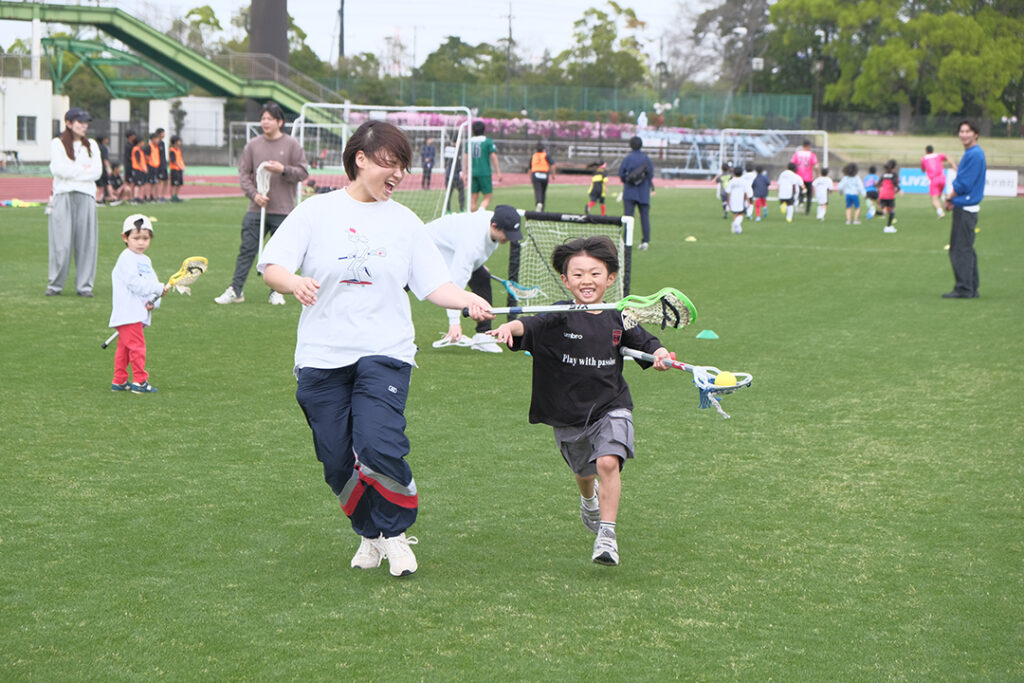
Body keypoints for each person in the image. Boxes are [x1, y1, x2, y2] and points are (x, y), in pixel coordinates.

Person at [259, 120, 493, 577]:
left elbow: (434, 285)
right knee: (335, 459)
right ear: (360, 159)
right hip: (322, 354)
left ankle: (396, 533)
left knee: (377, 443)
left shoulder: (405, 222)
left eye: (403, 166)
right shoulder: (316, 212)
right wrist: (294, 282)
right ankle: (371, 534)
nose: (398, 174)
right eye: (390, 163)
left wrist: (466, 299)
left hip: (385, 351)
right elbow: (272, 266)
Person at [489, 235, 670, 566]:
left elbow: (647, 343)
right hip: (568, 413)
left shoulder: (620, 315)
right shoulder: (558, 314)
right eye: (578, 274)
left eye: (595, 273)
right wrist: (508, 328)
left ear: (610, 278)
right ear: (565, 280)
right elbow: (527, 325)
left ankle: (607, 535)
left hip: (611, 405)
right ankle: (589, 500)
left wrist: (660, 354)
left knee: (608, 463)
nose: (587, 280)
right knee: (584, 472)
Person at [215, 101, 309, 306]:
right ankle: (236, 290)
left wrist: (283, 169)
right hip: (256, 209)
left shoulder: (292, 145)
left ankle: (276, 291)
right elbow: (244, 174)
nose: (265, 122)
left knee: (280, 256)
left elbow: (303, 172)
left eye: (270, 119)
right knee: (247, 251)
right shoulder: (252, 145)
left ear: (280, 122)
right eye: (263, 118)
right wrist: (254, 195)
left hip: (283, 210)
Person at [425, 204, 523, 353]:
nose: (509, 239)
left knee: (482, 277)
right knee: (405, 284)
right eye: (507, 234)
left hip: (452, 249)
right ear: (494, 226)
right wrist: (454, 323)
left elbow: (476, 254)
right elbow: (456, 284)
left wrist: (478, 265)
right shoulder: (472, 243)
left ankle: (483, 336)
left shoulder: (493, 223)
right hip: (427, 247)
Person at [109, 214, 169, 394]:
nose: (141, 242)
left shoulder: (145, 260)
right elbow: (134, 283)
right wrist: (158, 288)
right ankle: (140, 381)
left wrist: (153, 301)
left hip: (137, 312)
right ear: (125, 238)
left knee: (125, 348)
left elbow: (150, 282)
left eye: (145, 238)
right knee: (137, 348)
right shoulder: (126, 258)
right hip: (128, 312)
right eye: (136, 238)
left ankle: (119, 380)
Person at [46, 107, 101, 298]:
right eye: (80, 122)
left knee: (87, 243)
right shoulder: (58, 143)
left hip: (86, 195)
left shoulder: (92, 145)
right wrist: (82, 170)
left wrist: (74, 171)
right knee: (60, 243)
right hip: (63, 195)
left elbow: (97, 172)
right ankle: (55, 284)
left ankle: (85, 286)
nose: (84, 126)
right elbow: (58, 169)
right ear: (69, 123)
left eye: (86, 123)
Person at [942, 120, 986, 299]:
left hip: (966, 207)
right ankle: (971, 287)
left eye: (968, 131)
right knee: (966, 247)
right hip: (967, 206)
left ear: (976, 134)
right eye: (961, 131)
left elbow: (963, 183)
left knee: (960, 248)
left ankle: (964, 288)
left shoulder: (974, 154)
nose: (964, 134)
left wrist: (949, 198)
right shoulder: (973, 153)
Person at [618, 136, 655, 250]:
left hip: (630, 191)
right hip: (643, 192)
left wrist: (628, 180)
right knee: (644, 217)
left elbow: (621, 174)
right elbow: (651, 174)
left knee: (628, 217)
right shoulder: (646, 158)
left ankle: (626, 241)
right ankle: (645, 241)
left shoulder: (627, 159)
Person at [465, 120, 501, 211]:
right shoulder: (488, 141)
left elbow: (466, 158)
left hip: (472, 173)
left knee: (473, 199)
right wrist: (498, 172)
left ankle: (473, 217)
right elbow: (493, 156)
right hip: (485, 172)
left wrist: (465, 173)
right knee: (488, 197)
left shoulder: (469, 142)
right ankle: (480, 213)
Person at [921, 144, 950, 219]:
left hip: (934, 179)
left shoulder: (924, 158)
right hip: (942, 178)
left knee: (934, 198)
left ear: (926, 151)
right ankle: (945, 199)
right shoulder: (938, 155)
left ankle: (940, 212)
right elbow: (947, 157)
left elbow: (923, 169)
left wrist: (925, 170)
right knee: (939, 194)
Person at [791, 139, 818, 214]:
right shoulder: (811, 154)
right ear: (809, 146)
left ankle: (801, 202)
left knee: (799, 191)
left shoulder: (797, 154)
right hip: (808, 177)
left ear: (803, 146)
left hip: (799, 177)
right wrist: (818, 174)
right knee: (809, 194)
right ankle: (807, 210)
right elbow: (816, 166)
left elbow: (792, 164)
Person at [725, 166, 752, 234]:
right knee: (742, 214)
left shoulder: (731, 181)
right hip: (740, 200)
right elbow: (746, 193)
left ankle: (736, 229)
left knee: (735, 214)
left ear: (734, 173)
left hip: (733, 200)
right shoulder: (744, 181)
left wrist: (728, 202)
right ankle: (736, 224)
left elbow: (728, 192)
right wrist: (748, 202)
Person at [529, 141, 554, 211]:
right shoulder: (546, 155)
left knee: (537, 190)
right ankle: (542, 206)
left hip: (536, 174)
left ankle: (539, 202)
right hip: (544, 174)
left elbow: (530, 169)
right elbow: (553, 165)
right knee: (543, 191)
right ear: (543, 149)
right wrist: (553, 175)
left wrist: (530, 179)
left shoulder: (533, 156)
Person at [878, 159, 900, 233]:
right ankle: (888, 227)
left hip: (882, 195)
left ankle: (875, 212)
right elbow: (895, 183)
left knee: (885, 212)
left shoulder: (884, 174)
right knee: (892, 211)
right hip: (889, 195)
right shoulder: (894, 174)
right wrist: (899, 190)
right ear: (894, 167)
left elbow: (879, 184)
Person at [442, 138, 465, 212]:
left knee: (449, 193)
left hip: (448, 175)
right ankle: (462, 209)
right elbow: (457, 162)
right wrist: (460, 171)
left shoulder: (447, 149)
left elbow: (446, 162)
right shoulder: (456, 149)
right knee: (461, 191)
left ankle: (448, 210)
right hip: (455, 175)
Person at [130, 137, 150, 203]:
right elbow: (138, 161)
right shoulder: (136, 150)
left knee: (140, 184)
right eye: (142, 142)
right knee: (137, 184)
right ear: (139, 142)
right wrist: (144, 168)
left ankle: (138, 197)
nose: (143, 143)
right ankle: (135, 198)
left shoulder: (140, 150)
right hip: (137, 169)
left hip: (140, 169)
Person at [168, 135, 185, 202]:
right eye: (179, 141)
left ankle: (176, 196)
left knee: (179, 184)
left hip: (179, 169)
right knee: (174, 184)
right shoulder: (172, 150)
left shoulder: (179, 150)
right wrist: (180, 166)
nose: (180, 142)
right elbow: (174, 161)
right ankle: (173, 197)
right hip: (174, 169)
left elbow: (180, 159)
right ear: (175, 142)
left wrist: (183, 166)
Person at [95, 134, 112, 204]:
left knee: (98, 185)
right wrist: (109, 168)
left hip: (96, 168)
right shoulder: (104, 148)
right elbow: (105, 159)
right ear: (103, 139)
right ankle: (99, 199)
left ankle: (98, 199)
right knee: (101, 186)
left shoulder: (96, 147)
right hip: (102, 169)